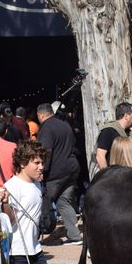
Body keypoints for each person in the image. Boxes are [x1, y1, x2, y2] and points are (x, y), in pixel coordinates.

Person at [35, 103, 82, 244]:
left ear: (41, 115)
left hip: (56, 172)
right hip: (71, 168)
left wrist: (41, 170)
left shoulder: (47, 128)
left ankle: (40, 234)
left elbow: (45, 151)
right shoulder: (64, 124)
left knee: (44, 203)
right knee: (64, 202)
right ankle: (75, 235)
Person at [95, 102, 132, 171]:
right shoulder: (108, 131)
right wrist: (108, 176)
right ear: (126, 116)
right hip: (114, 176)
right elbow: (100, 156)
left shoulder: (127, 133)